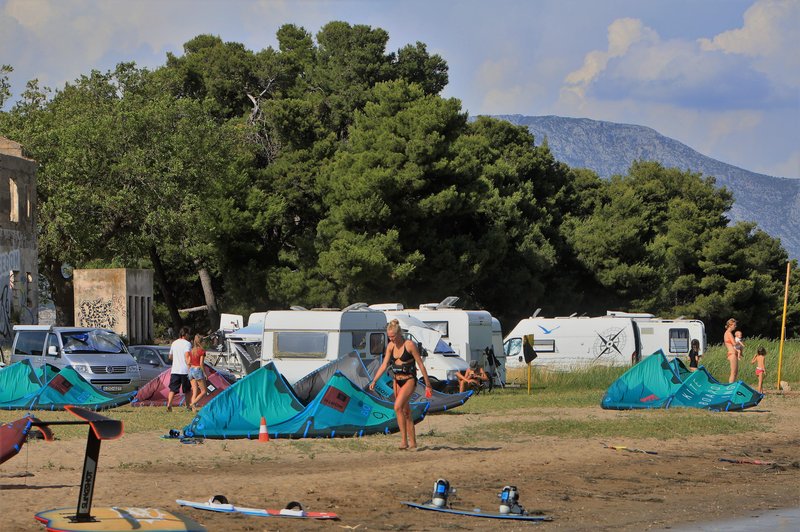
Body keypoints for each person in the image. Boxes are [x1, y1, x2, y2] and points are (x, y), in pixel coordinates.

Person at [369, 319, 431, 450]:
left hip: (409, 380)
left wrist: (428, 384)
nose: (391, 339)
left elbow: (420, 364)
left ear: (399, 334)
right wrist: (374, 380)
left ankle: (403, 442)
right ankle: (412, 443)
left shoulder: (409, 345)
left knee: (397, 407)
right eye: (389, 336)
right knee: (406, 411)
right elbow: (384, 364)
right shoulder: (390, 346)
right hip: (396, 380)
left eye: (393, 336)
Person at [166, 326, 192, 412]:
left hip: (175, 370)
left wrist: (177, 359)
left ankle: (169, 404)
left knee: (173, 389)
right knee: (187, 390)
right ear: (186, 334)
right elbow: (187, 356)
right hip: (185, 370)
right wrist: (190, 368)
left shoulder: (174, 343)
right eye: (189, 334)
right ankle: (188, 406)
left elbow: (170, 356)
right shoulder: (187, 344)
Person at [187, 334, 208, 411]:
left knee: (195, 390)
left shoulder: (192, 350)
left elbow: (188, 362)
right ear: (201, 342)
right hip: (197, 370)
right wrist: (205, 373)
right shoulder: (202, 351)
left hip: (191, 370)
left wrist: (189, 370)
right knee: (204, 391)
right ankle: (192, 404)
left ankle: (193, 409)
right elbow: (201, 363)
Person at [723, 318, 738, 383]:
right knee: (733, 373)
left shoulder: (727, 333)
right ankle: (730, 387)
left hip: (732, 353)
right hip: (732, 353)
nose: (735, 326)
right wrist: (740, 342)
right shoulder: (728, 333)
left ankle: (732, 386)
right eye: (734, 325)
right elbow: (734, 343)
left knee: (735, 372)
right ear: (730, 325)